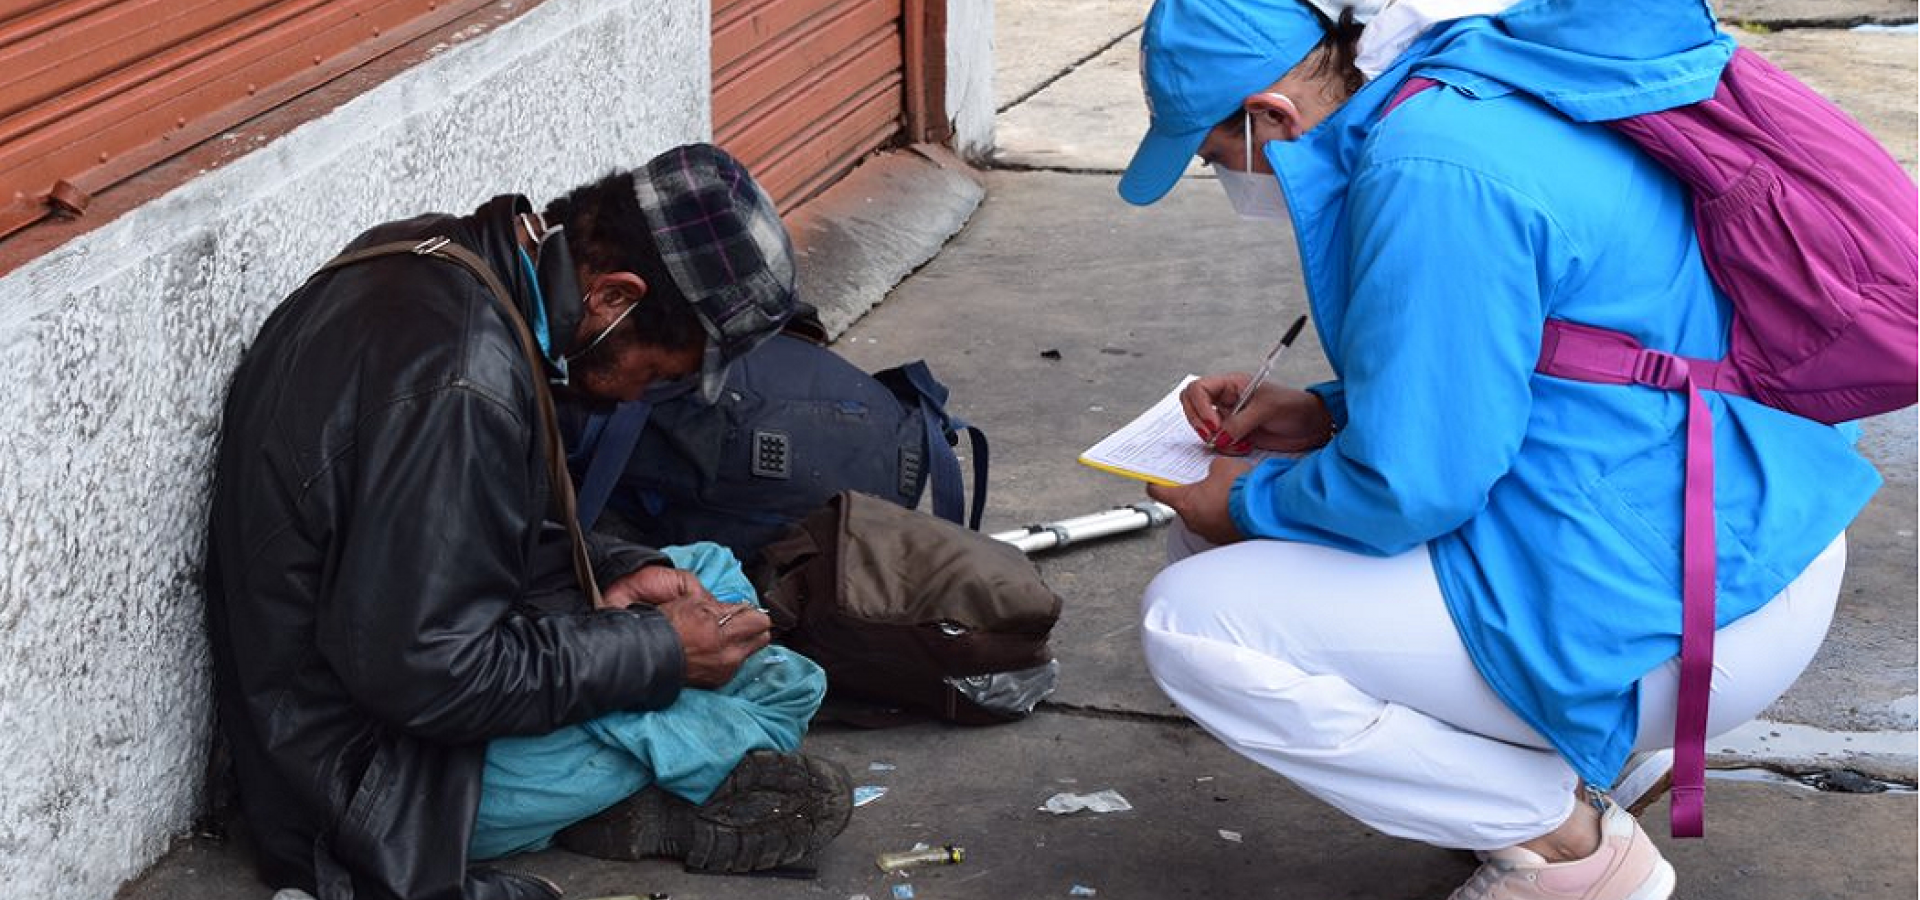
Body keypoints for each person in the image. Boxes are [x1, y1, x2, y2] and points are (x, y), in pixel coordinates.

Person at [1118, 2, 1881, 898]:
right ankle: (1565, 766)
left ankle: (1569, 847)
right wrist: (1323, 415)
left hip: (1695, 610)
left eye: (1217, 158)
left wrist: (1245, 504)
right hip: (1734, 531)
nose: (1229, 180)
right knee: (1241, 532)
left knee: (1191, 619)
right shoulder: (1474, 87)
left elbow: (1417, 487)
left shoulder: (1426, 171)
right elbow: (1561, 353)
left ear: (1271, 115)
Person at [204, 143, 851, 900]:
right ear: (615, 297)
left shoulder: (444, 257)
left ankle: (655, 760)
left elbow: (442, 530)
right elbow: (430, 675)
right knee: (778, 688)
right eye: (654, 373)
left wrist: (610, 570)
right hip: (360, 783)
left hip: (364, 670)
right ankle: (642, 785)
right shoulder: (462, 386)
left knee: (708, 576)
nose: (638, 398)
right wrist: (658, 653)